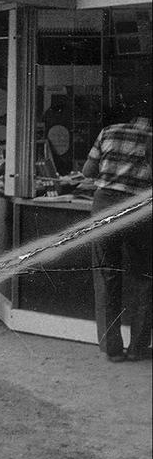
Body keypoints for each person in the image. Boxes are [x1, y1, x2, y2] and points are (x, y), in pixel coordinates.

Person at [78, 98, 152, 361]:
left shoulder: (108, 132)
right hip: (138, 211)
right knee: (144, 278)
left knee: (107, 276)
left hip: (104, 206)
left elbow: (88, 171)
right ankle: (138, 348)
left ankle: (112, 349)